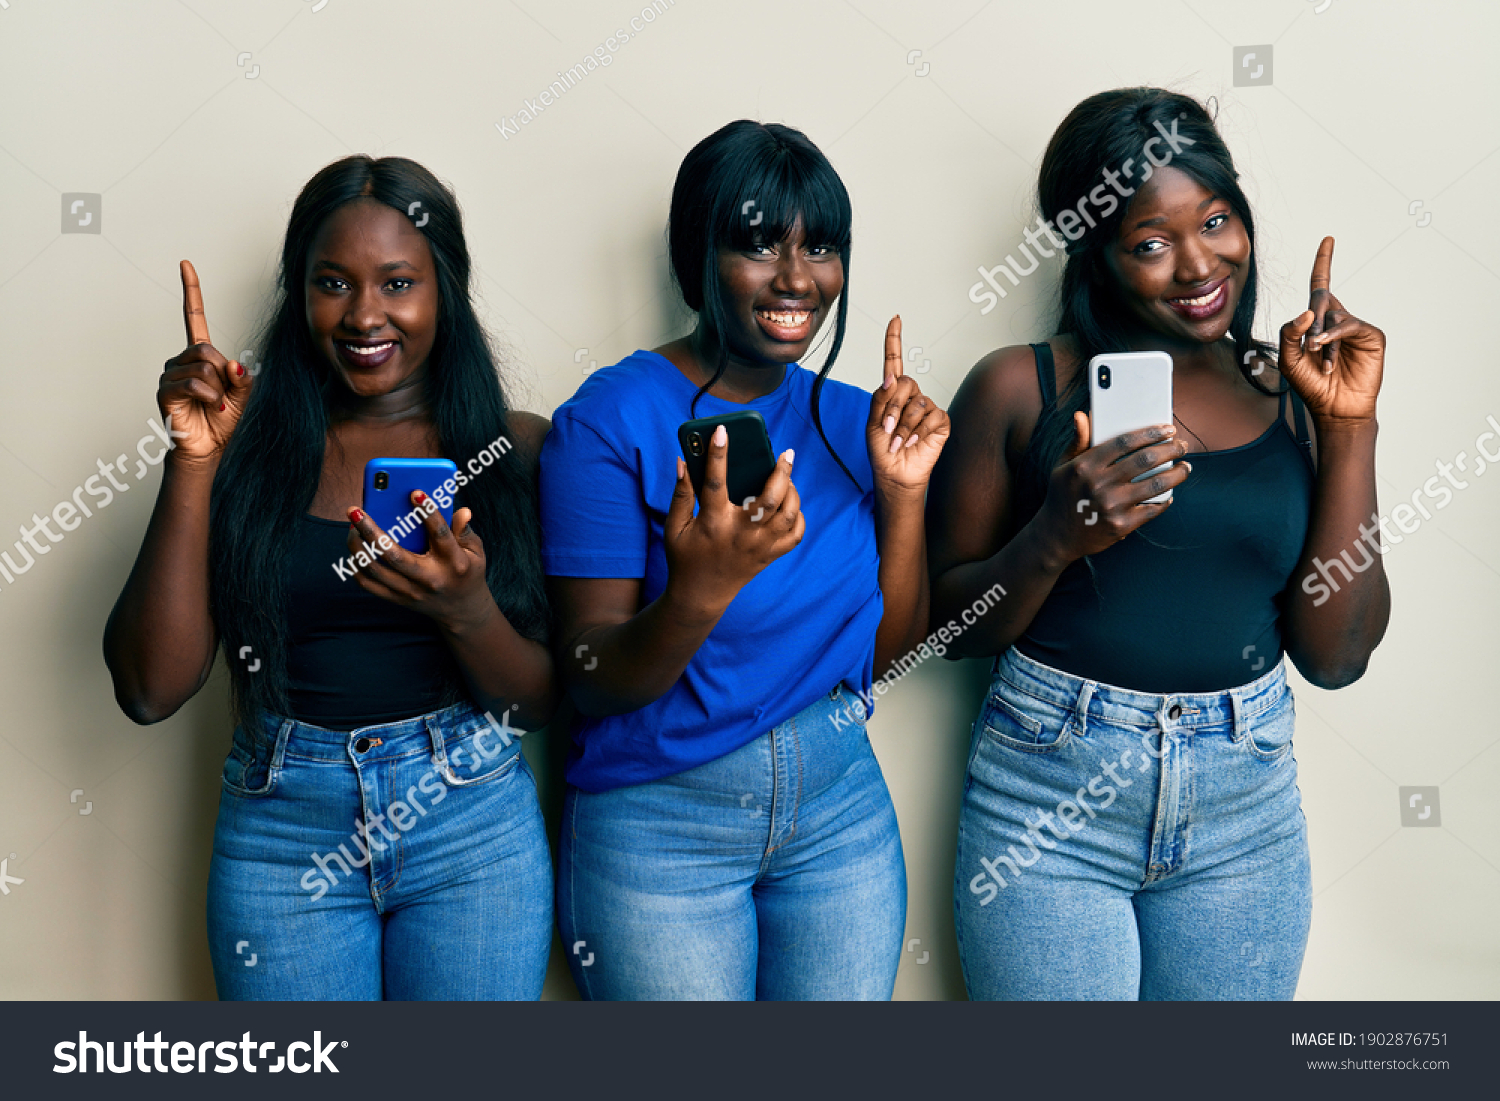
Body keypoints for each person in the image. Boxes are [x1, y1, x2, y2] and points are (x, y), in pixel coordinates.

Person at [928, 89, 1389, 1000]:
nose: (1198, 264)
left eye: (1216, 220)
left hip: (1242, 814)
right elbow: (942, 629)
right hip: (1049, 802)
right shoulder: (1018, 389)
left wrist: (1350, 429)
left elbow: (1336, 657)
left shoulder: (1292, 388)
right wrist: (1054, 537)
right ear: (1093, 253)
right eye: (1150, 242)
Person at [103, 155, 557, 1000]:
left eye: (397, 282)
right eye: (333, 283)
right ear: (298, 293)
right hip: (282, 833)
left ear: (444, 290)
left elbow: (536, 704)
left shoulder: (513, 451)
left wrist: (466, 611)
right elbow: (149, 688)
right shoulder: (243, 444)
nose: (365, 314)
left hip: (470, 828)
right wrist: (194, 461)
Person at [540, 120, 950, 1000]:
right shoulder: (608, 420)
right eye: (759, 244)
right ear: (698, 256)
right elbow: (589, 677)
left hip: (839, 816)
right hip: (660, 823)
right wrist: (702, 588)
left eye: (821, 247)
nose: (798, 277)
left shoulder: (856, 420)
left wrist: (905, 495)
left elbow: (892, 654)